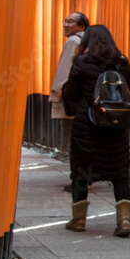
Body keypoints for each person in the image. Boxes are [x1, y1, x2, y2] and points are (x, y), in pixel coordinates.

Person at [61, 25, 130, 237]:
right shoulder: (123, 63)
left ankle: (79, 219)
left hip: (87, 129)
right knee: (119, 175)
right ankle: (124, 221)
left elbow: (72, 95)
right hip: (116, 129)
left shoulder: (82, 63)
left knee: (81, 173)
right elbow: (127, 92)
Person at [50, 12, 89, 192]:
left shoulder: (73, 41)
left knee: (72, 139)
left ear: (82, 26)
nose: (66, 24)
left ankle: (78, 180)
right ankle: (85, 176)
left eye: (71, 22)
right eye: (65, 21)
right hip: (86, 100)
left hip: (71, 99)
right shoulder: (90, 42)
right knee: (84, 139)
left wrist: (55, 94)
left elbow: (64, 70)